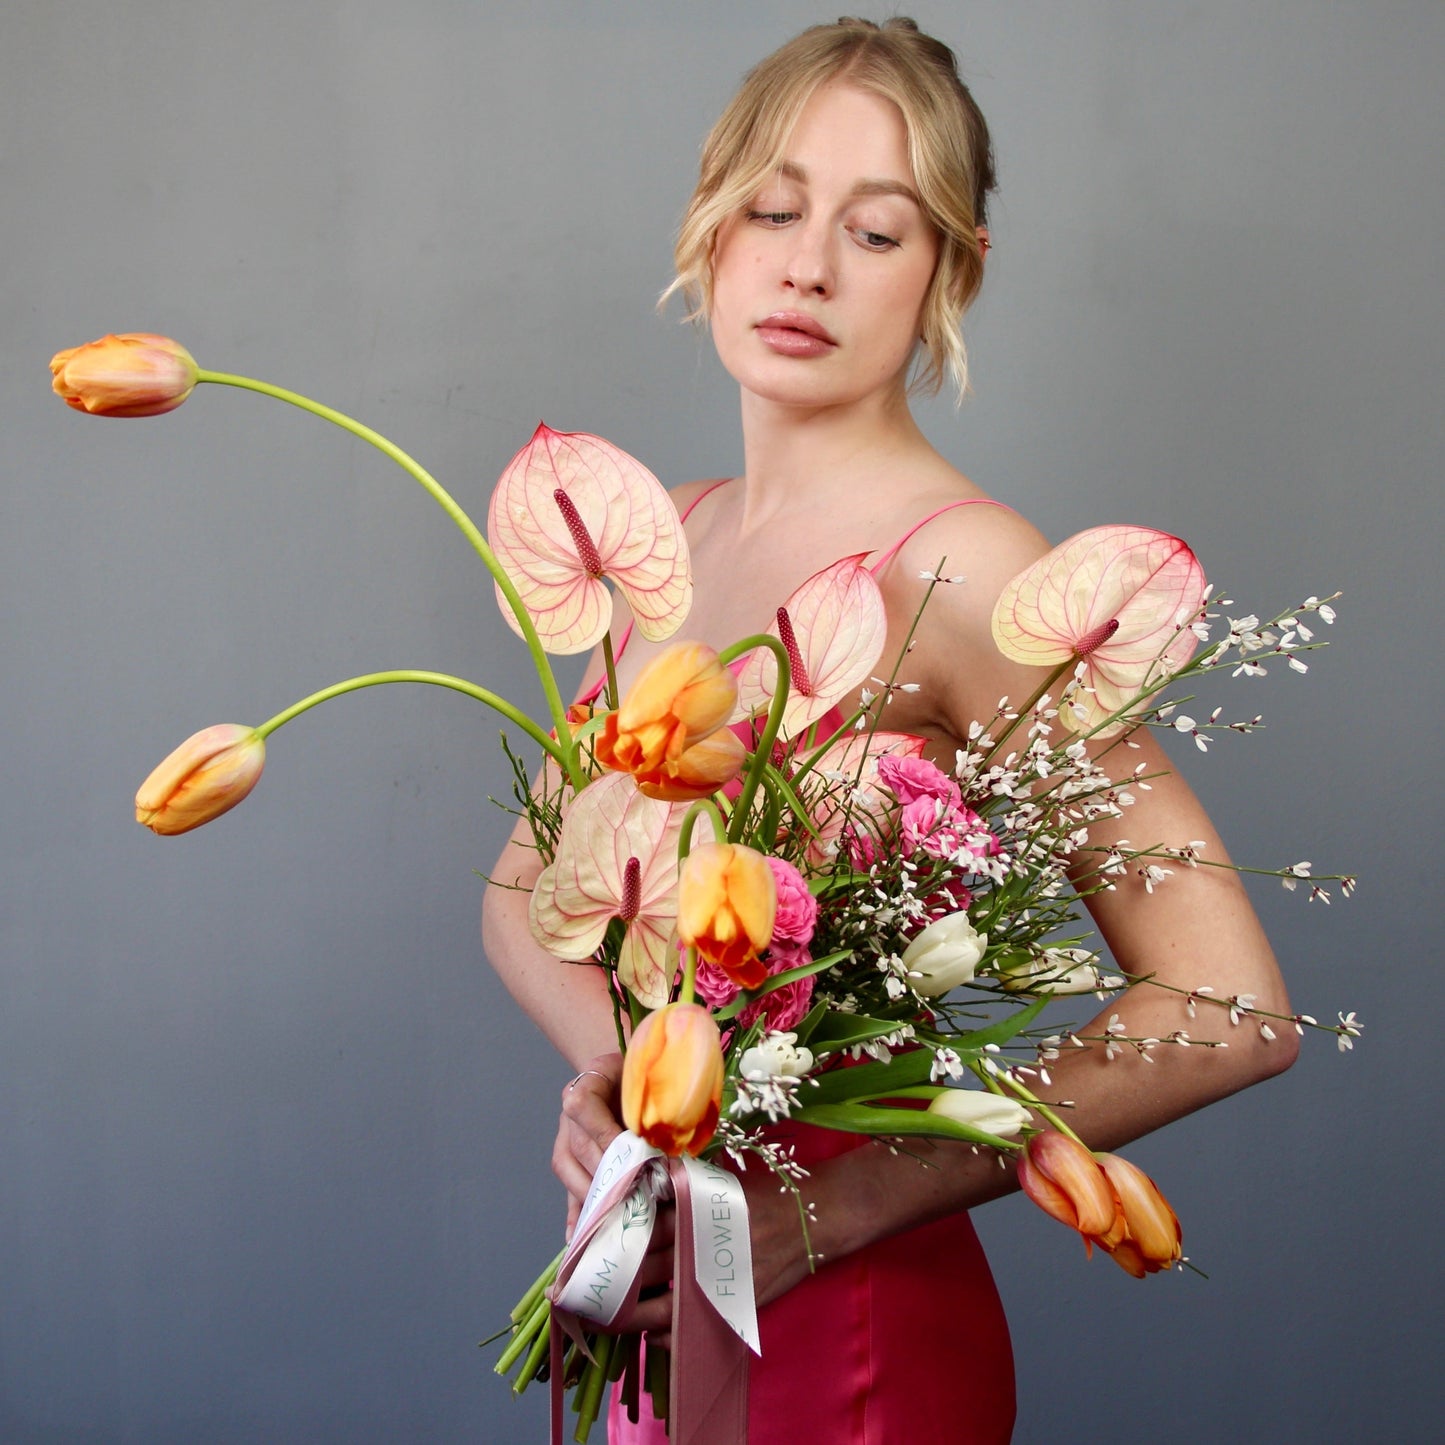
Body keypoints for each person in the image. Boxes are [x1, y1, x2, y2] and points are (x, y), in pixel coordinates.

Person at [482, 17, 1296, 1442]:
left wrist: (835, 1206)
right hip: (659, 1273)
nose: (807, 266)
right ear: (711, 222)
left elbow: (1230, 1006)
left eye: (875, 231)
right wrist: (632, 1074)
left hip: (854, 1324)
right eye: (774, 209)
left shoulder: (966, 569)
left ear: (949, 272)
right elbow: (518, 894)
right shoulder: (670, 535)